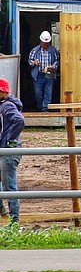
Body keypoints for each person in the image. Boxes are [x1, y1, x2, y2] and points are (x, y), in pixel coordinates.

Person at [0, 77, 25, 226]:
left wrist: (9, 139)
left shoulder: (7, 106)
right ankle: (3, 213)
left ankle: (15, 222)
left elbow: (19, 120)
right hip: (4, 149)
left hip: (9, 151)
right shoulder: (3, 105)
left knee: (10, 186)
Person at [27, 30, 59, 114]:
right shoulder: (35, 50)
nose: (45, 44)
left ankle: (45, 108)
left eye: (47, 42)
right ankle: (40, 107)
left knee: (48, 92)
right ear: (41, 41)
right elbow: (29, 61)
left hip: (49, 73)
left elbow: (57, 60)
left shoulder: (53, 50)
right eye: (44, 42)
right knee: (38, 92)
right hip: (38, 74)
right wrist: (34, 62)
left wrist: (53, 66)